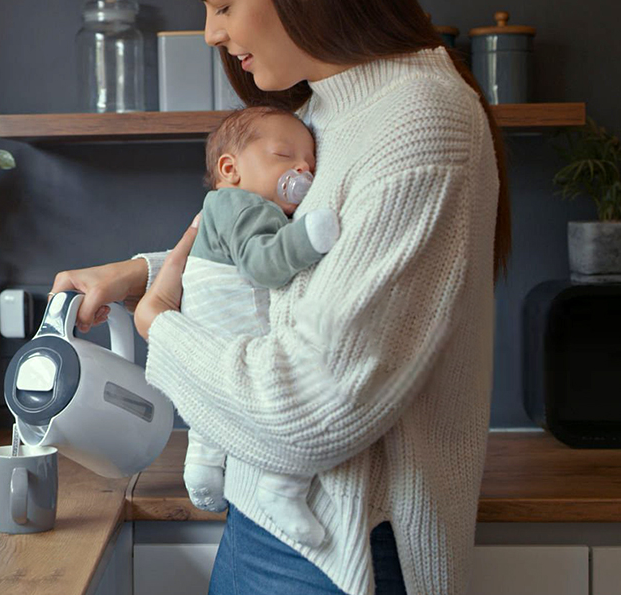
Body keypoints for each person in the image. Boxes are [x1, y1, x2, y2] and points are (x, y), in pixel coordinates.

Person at [51, 0, 508, 593]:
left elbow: (313, 410)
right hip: (267, 518)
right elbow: (284, 260)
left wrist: (160, 325)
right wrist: (138, 272)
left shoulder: (419, 119)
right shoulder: (325, 110)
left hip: (343, 552)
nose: (212, 32)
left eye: (223, 5)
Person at [179, 105, 339, 548]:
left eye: (310, 161)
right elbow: (264, 265)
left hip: (210, 337)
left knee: (213, 405)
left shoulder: (222, 209)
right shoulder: (244, 205)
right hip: (238, 326)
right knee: (287, 405)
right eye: (283, 155)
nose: (303, 168)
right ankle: (282, 487)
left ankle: (204, 468)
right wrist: (309, 236)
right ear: (230, 169)